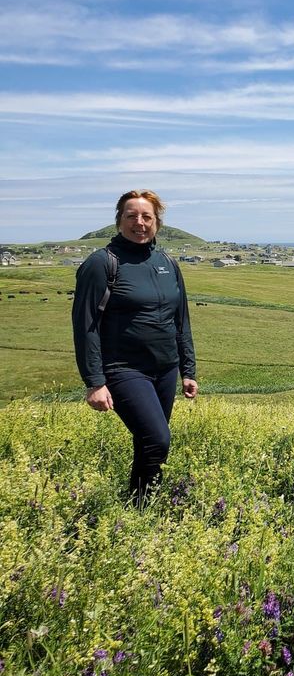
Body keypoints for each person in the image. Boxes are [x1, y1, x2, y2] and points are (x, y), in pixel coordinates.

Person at [72, 190, 197, 503]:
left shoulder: (167, 263)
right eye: (131, 216)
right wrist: (94, 382)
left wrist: (188, 370)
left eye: (146, 217)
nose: (139, 223)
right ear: (119, 220)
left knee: (148, 442)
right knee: (157, 439)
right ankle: (140, 505)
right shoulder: (102, 263)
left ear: (157, 222)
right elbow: (86, 325)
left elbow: (181, 319)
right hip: (123, 368)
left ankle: (142, 505)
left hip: (165, 369)